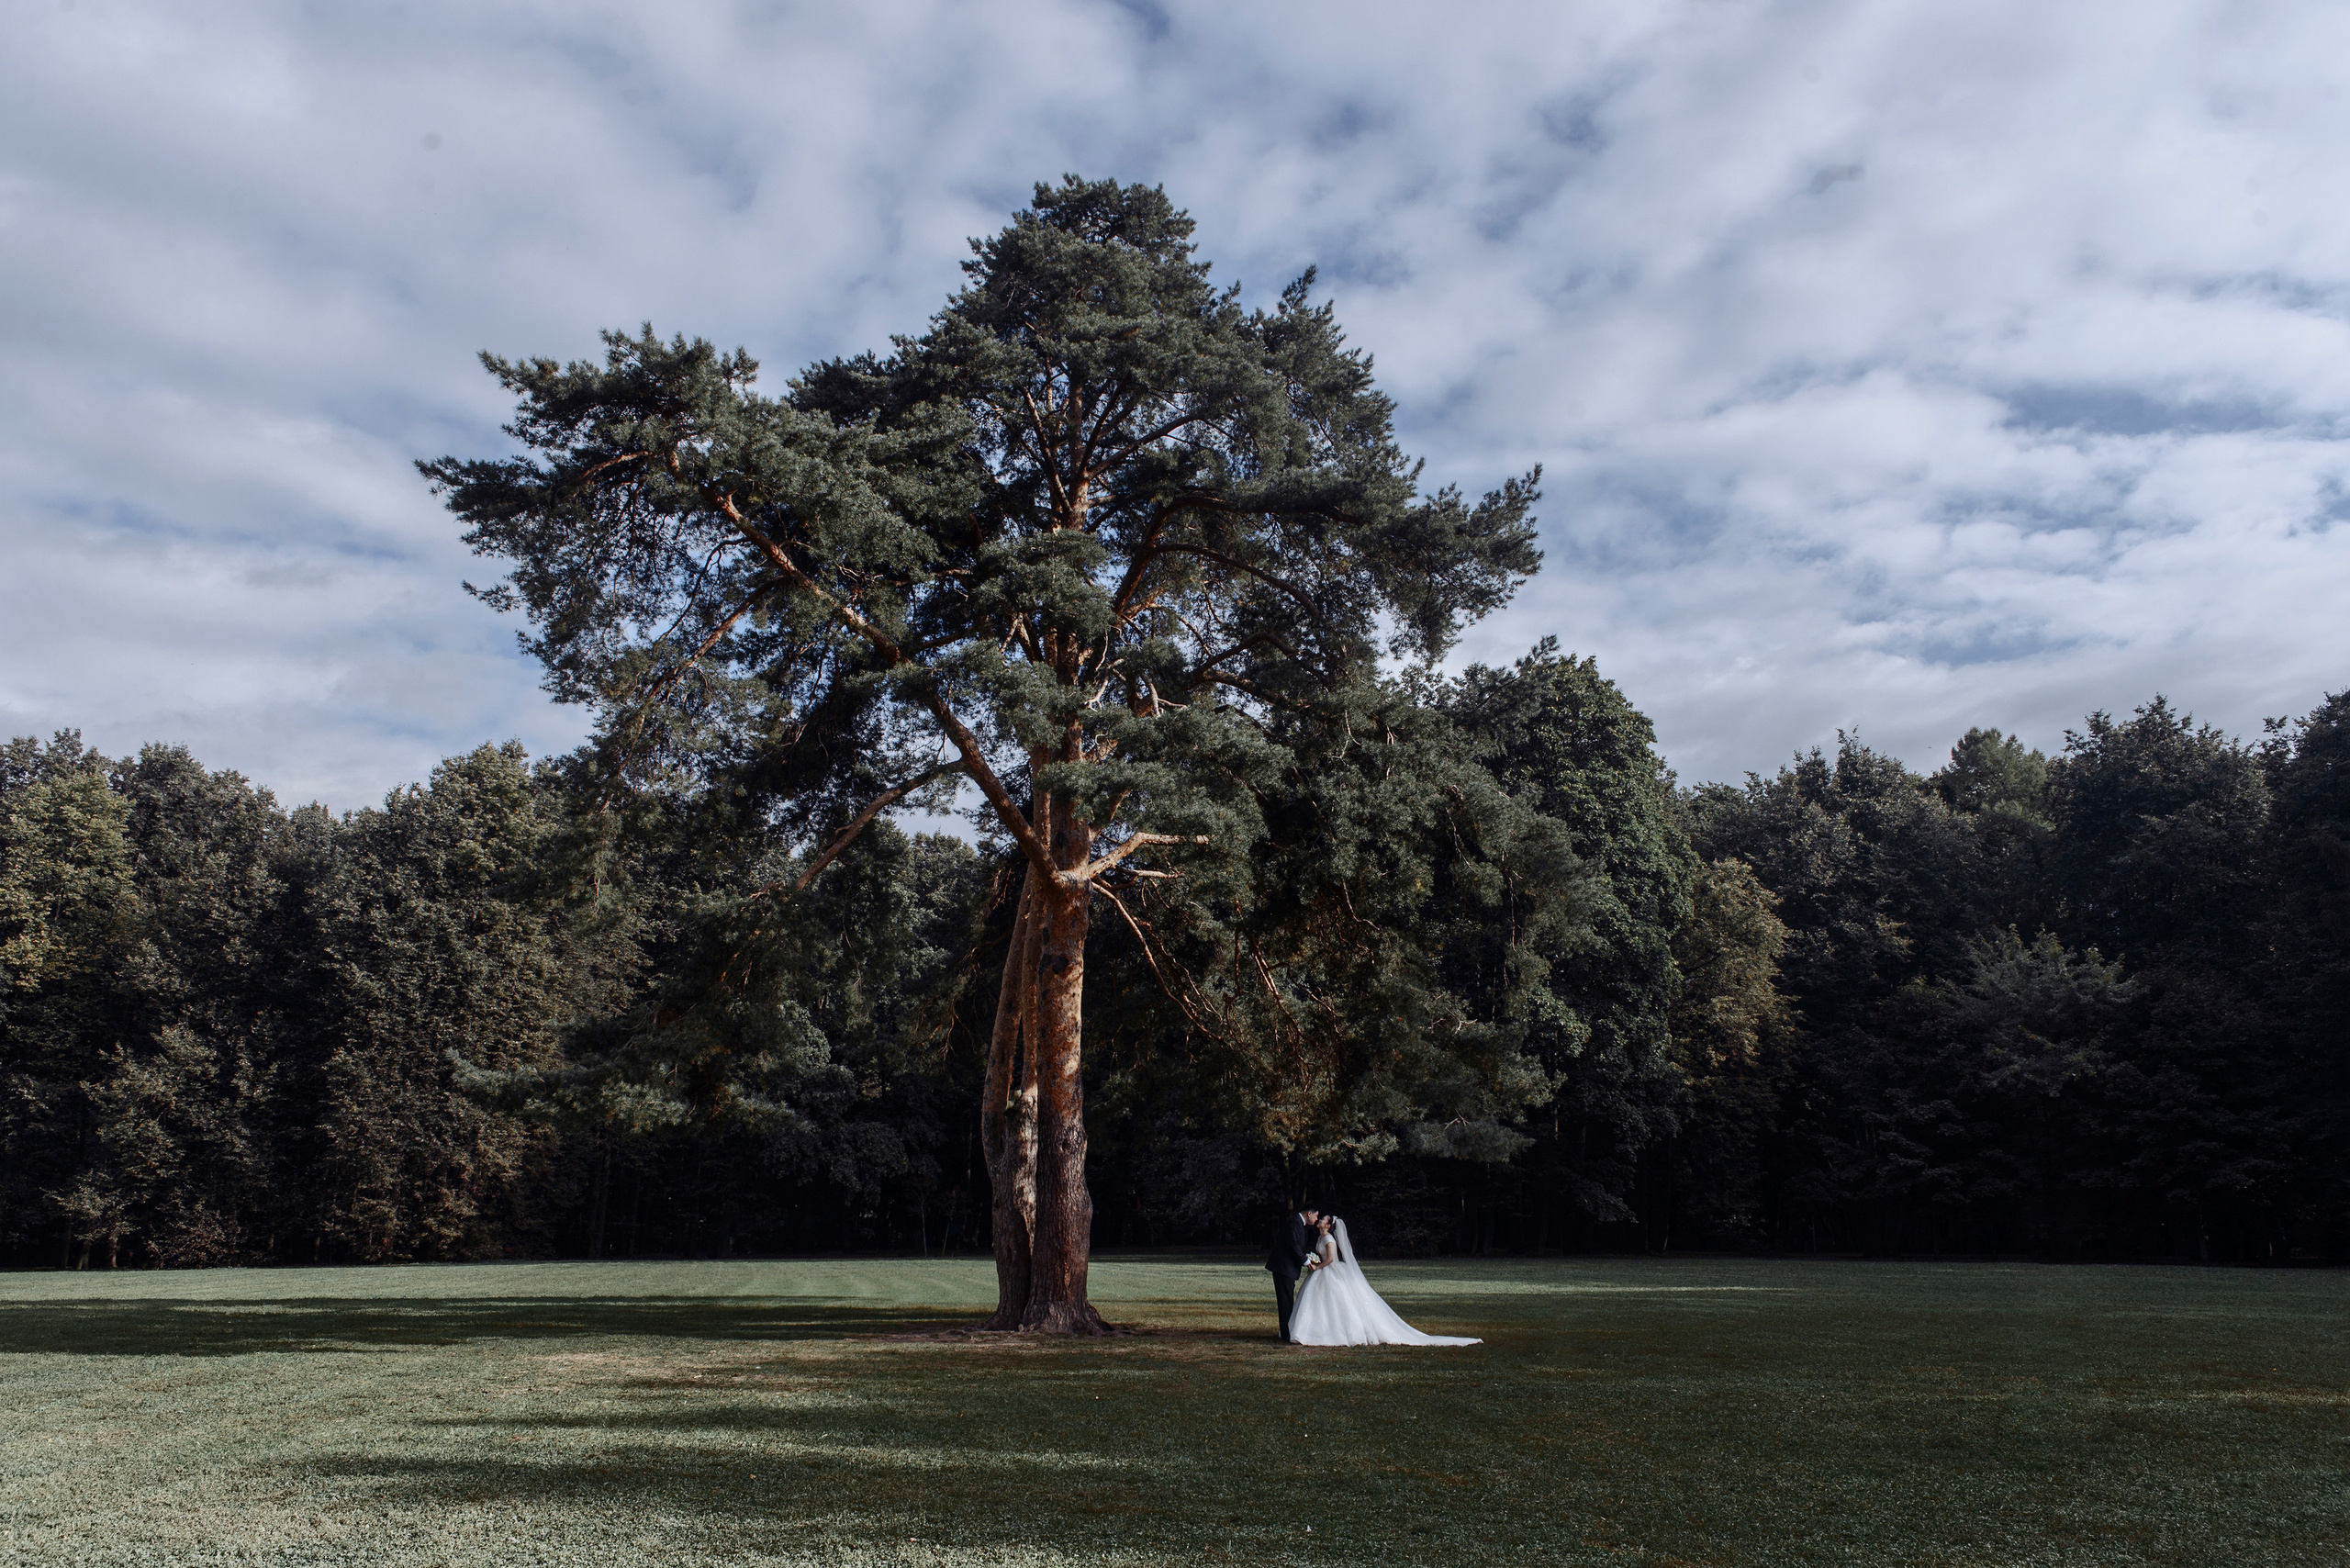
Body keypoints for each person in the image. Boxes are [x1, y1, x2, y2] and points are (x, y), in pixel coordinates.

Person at [1287, 1213, 1480, 1347]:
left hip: (1331, 1271)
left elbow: (1330, 1259)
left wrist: (1317, 1266)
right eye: (1320, 1218)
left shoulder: (1329, 1239)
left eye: (1323, 1219)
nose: (1320, 1220)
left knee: (1336, 1302)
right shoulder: (1321, 1238)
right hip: (1323, 1271)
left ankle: (1334, 1332)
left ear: (1329, 1226)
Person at [1265, 1205, 1321, 1342]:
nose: (1316, 1219)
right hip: (1283, 1267)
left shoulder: (1298, 1223)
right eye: (1316, 1216)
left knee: (1287, 1300)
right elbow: (1293, 1245)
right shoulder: (1293, 1223)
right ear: (1309, 1213)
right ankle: (1286, 1334)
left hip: (1287, 1268)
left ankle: (1288, 1331)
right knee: (1285, 1301)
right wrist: (1306, 1260)